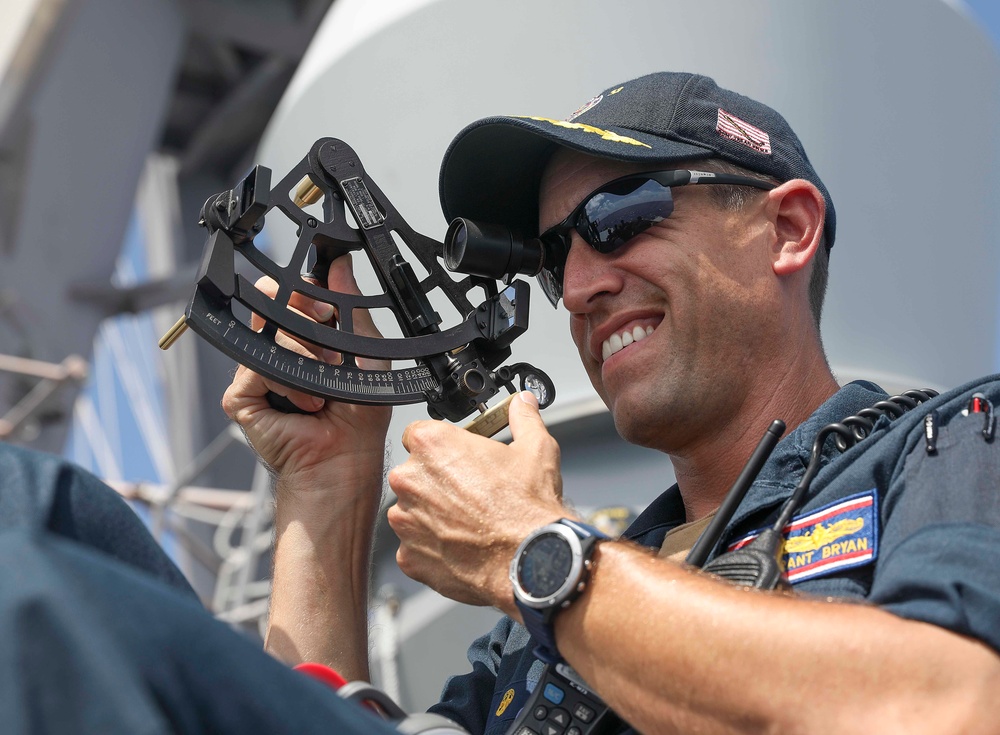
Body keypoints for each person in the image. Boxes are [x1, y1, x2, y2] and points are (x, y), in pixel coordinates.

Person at [3, 71, 998, 734]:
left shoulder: (952, 448)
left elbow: (946, 706)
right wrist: (329, 482)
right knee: (40, 510)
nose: (580, 284)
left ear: (786, 229)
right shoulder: (542, 628)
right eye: (557, 251)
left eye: (622, 217)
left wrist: (538, 556)